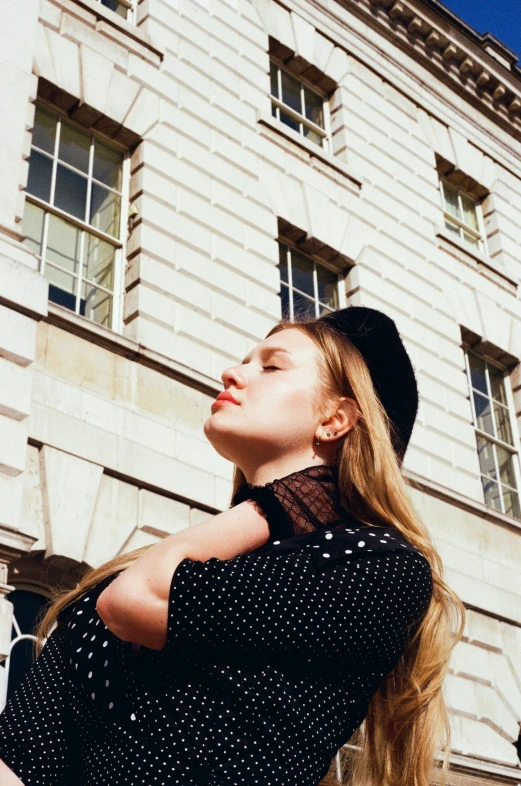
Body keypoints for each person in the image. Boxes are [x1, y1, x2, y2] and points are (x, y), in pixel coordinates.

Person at [0, 306, 465, 786]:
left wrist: (277, 503)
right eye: (246, 359)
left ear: (335, 418)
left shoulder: (379, 568)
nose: (232, 372)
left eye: (271, 365)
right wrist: (280, 502)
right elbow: (19, 762)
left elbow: (136, 600)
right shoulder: (187, 561)